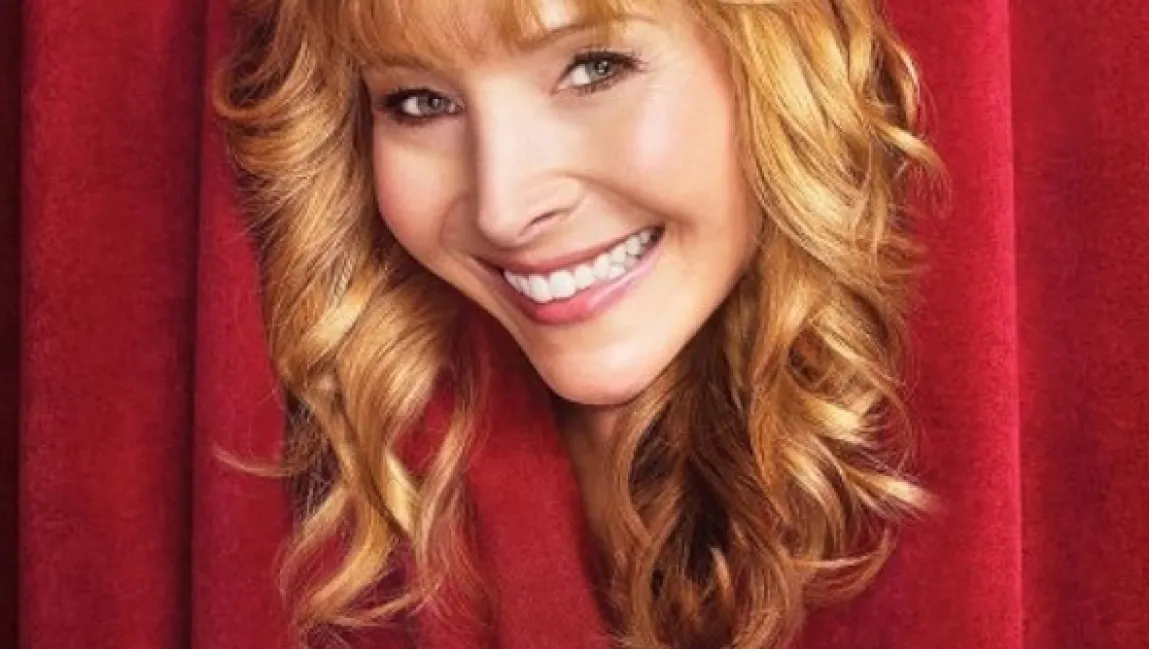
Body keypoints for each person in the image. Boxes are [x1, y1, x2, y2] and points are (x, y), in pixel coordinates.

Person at [213, 0, 944, 647]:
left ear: (782, 62)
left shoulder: (933, 452)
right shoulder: (362, 469)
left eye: (594, 69)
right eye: (420, 103)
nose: (503, 208)